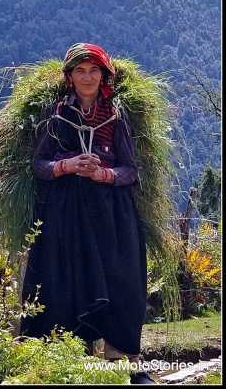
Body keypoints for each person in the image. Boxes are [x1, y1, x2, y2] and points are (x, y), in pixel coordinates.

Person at [18, 43, 154, 384]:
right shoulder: (57, 115)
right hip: (67, 217)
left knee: (121, 281)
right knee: (67, 283)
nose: (87, 77)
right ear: (70, 77)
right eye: (80, 71)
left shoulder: (116, 117)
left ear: (104, 76)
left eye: (94, 70)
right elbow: (39, 164)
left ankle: (123, 363)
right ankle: (70, 363)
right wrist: (67, 165)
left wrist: (102, 173)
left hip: (112, 215)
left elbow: (130, 170)